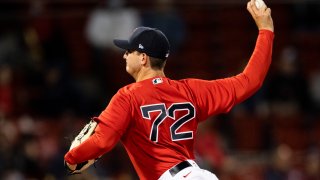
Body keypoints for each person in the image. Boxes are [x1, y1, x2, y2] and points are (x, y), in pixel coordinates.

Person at [64, 0, 274, 179]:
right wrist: (266, 30)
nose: (124, 55)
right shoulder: (190, 90)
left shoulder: (128, 97)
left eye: (129, 50)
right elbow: (250, 81)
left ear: (144, 58)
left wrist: (71, 159)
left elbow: (102, 141)